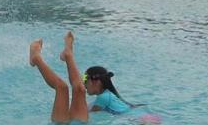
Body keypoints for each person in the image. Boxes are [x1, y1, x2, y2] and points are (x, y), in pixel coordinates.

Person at [30, 32, 161, 124]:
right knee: (79, 89)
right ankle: (68, 55)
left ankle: (37, 58)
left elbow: (91, 109)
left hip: (66, 123)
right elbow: (90, 109)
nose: (85, 81)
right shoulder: (106, 96)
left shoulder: (105, 97)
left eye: (86, 78)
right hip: (79, 122)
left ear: (96, 81)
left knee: (63, 88)